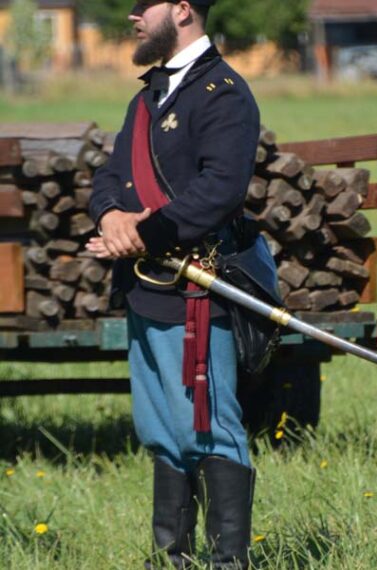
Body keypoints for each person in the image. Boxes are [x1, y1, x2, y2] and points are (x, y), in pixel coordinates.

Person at [87, 1, 260, 568]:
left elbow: (221, 189)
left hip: (198, 289)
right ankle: (171, 558)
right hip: (147, 287)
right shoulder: (147, 96)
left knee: (209, 428)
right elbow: (111, 174)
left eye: (145, 5)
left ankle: (227, 561)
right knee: (159, 425)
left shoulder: (224, 93)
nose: (133, 15)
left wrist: (141, 234)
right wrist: (111, 215)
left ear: (183, 9)